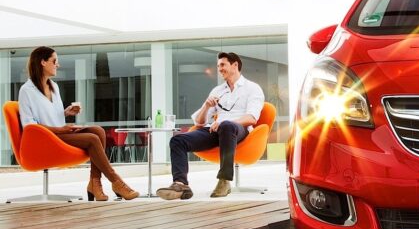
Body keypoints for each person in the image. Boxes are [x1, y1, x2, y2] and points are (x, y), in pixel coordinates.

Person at [18, 46, 139, 201]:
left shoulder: (53, 86)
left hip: (61, 133)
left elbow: (51, 115)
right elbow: (29, 126)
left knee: (98, 131)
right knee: (92, 139)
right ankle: (116, 181)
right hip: (47, 138)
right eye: (54, 61)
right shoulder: (26, 90)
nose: (58, 65)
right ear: (43, 62)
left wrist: (66, 112)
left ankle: (94, 183)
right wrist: (61, 130)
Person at [157, 52, 264, 199]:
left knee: (227, 126)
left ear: (235, 65)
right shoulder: (217, 91)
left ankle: (224, 180)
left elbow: (251, 118)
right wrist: (206, 107)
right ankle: (181, 184)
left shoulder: (252, 88)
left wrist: (224, 123)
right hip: (216, 130)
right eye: (218, 66)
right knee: (177, 140)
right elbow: (199, 122)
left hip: (239, 129)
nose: (219, 69)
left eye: (222, 65)